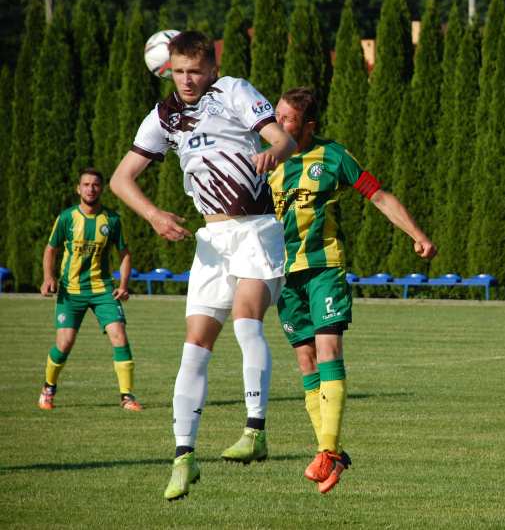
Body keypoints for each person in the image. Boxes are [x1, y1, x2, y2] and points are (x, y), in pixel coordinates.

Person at [110, 31, 298, 501]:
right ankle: (183, 457)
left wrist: (274, 150)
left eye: (195, 70)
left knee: (246, 319)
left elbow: (284, 139)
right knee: (194, 346)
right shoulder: (164, 115)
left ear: (211, 68)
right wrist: (153, 215)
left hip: (256, 228)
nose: (187, 80)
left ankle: (255, 432)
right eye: (179, 71)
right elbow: (121, 178)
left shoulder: (233, 90)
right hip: (211, 239)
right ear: (167, 70)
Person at [269, 88, 436, 494]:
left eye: (287, 119)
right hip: (281, 274)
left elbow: (378, 195)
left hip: (323, 266)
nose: (276, 125)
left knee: (328, 351)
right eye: (276, 116)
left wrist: (416, 233)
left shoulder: (333, 157)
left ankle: (327, 450)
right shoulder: (262, 159)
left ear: (308, 126)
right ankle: (331, 453)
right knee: (306, 362)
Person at [38, 168, 139, 412]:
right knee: (64, 343)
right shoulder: (67, 218)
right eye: (86, 184)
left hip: (103, 289)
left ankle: (127, 397)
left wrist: (124, 285)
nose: (90, 189)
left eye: (95, 185)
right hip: (70, 291)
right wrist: (48, 277)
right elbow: (51, 249)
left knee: (120, 336)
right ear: (78, 188)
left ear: (101, 189)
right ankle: (48, 389)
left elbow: (125, 254)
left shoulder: (112, 220)